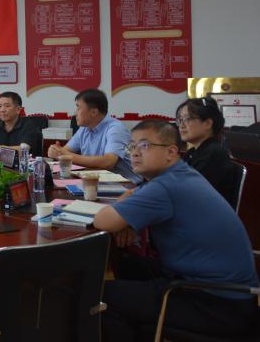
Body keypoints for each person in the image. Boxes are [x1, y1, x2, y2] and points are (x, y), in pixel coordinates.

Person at [94, 120, 258, 341]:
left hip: (217, 303)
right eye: (131, 146)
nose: (134, 153)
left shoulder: (164, 187)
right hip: (229, 292)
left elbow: (103, 221)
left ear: (171, 152)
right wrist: (128, 219)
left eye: (144, 145)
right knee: (126, 263)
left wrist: (124, 216)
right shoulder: (181, 174)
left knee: (103, 296)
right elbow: (132, 201)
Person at [47, 88, 138, 183]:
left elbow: (109, 162)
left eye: (78, 108)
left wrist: (65, 155)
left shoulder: (115, 128)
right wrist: (56, 151)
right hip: (97, 182)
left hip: (126, 184)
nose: (75, 113)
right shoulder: (84, 128)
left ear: (93, 112)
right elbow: (64, 151)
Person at [176, 96, 235, 204]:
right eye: (180, 120)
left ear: (207, 123)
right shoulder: (193, 152)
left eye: (187, 119)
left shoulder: (214, 154)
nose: (181, 125)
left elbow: (189, 192)